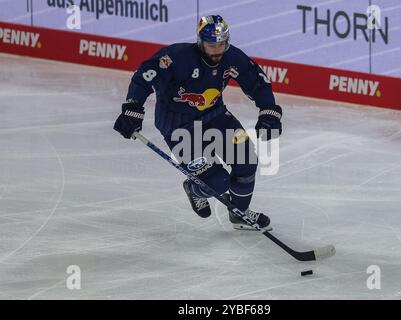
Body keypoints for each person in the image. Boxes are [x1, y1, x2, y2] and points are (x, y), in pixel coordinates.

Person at [114, 15, 282, 231]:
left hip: (216, 116)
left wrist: (268, 111)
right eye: (211, 45)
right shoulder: (176, 57)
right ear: (200, 42)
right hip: (178, 126)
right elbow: (144, 76)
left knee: (246, 161)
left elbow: (257, 82)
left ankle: (239, 214)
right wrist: (132, 107)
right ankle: (194, 190)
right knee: (216, 182)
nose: (217, 50)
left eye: (221, 44)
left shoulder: (232, 57)